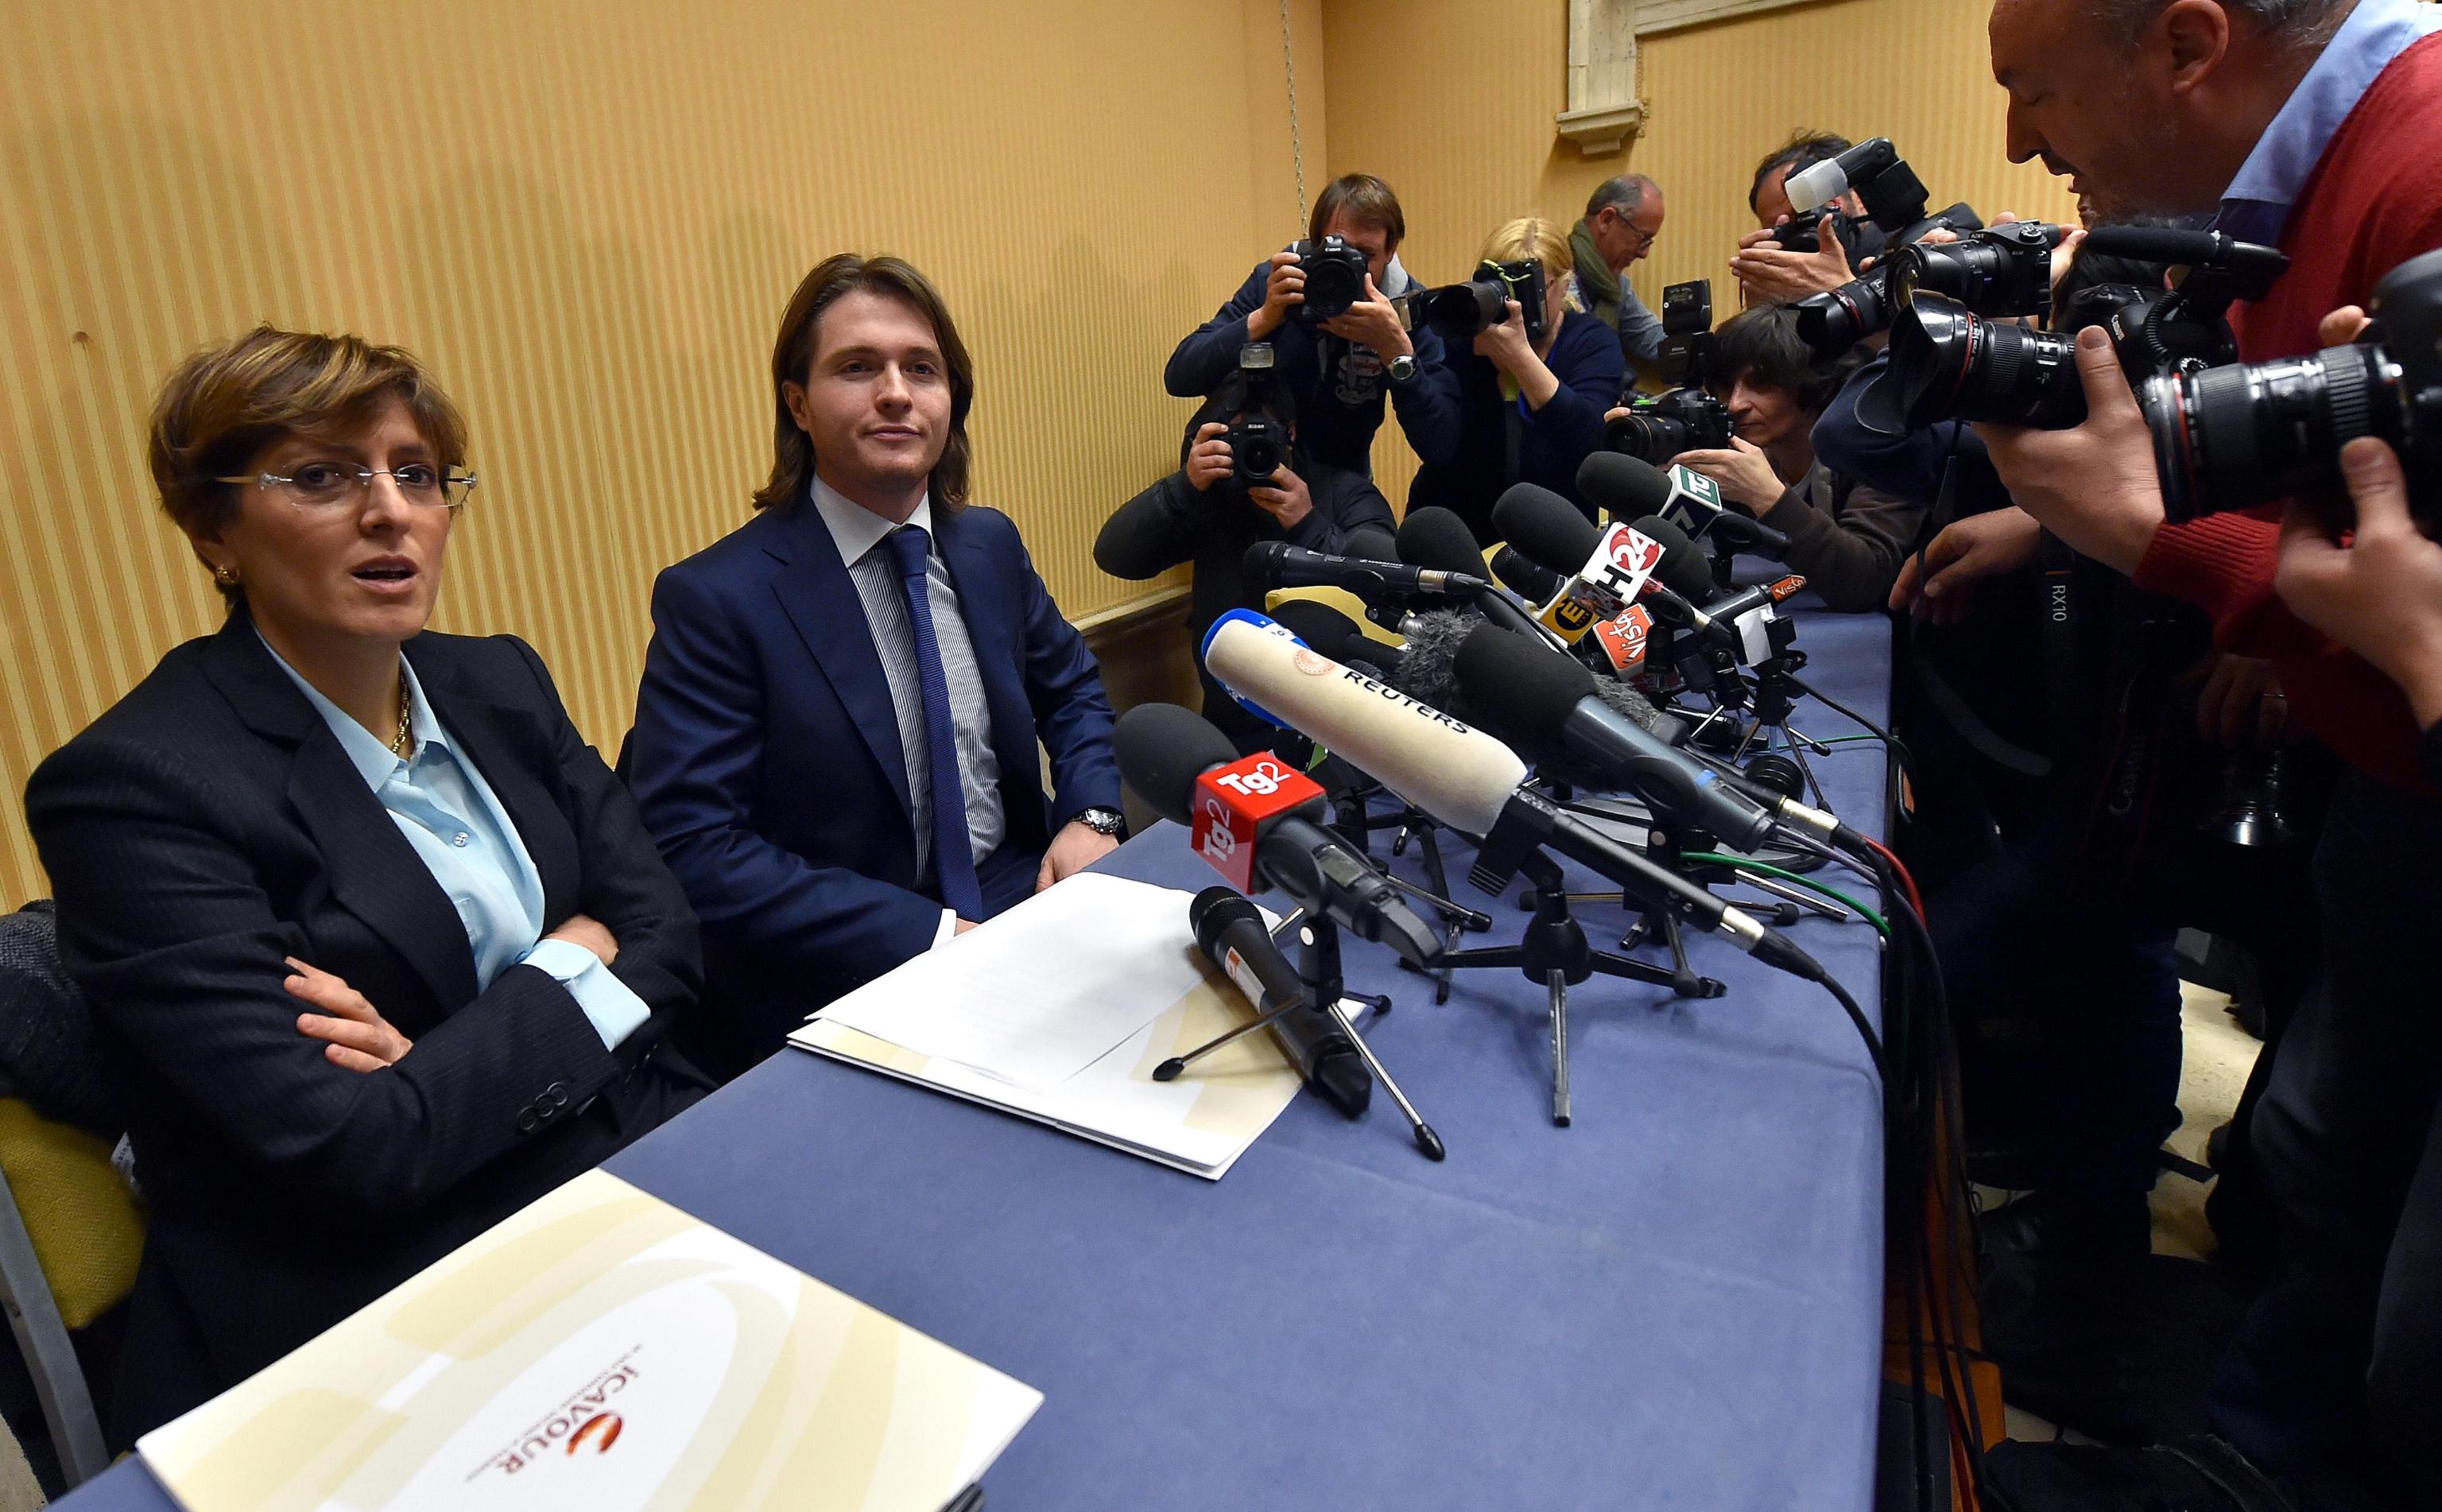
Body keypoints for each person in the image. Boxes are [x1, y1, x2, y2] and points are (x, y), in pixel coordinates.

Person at [23, 327, 709, 1444]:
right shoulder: (132, 788)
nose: (391, 511)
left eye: (417, 474)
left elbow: (669, 931)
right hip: (369, 1300)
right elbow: (355, 1151)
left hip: (628, 1155)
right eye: (321, 477)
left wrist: (437, 1064)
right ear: (213, 532)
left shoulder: (498, 677)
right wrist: (574, 957)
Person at [1970, 0, 2442, 1501]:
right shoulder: (2298, 195)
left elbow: (2400, 596)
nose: (2017, 142)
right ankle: (2252, 1455)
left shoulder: (2425, 164)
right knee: (2321, 1154)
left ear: (2186, 47)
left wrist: (2153, 538)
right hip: (2388, 789)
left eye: (2035, 90)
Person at [629, 254, 1122, 1082]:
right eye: (858, 368)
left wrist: (1093, 815)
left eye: (921, 369)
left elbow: (1071, 687)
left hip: (1026, 904)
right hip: (856, 967)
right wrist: (932, 937)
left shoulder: (988, 545)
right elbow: (694, 845)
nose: (896, 393)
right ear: (798, 403)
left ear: (952, 399)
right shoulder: (718, 598)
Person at [1094, 377, 1395, 752]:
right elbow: (1117, 557)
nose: (1254, 448)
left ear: (1290, 433)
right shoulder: (1212, 497)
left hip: (1334, 726)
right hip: (1231, 720)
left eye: (1264, 434)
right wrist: (1183, 487)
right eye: (1236, 438)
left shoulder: (1342, 492)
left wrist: (1309, 524)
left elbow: (1384, 583)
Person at [1165, 173, 1461, 474]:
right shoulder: (1283, 280)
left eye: (1364, 255)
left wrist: (1397, 353)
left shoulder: (1404, 309)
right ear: (1316, 243)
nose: (1347, 269)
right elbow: (1180, 377)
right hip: (1259, 466)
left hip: (1342, 478)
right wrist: (1265, 317)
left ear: (1391, 249)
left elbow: (1440, 446)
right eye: (1339, 249)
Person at [1653, 303, 1924, 611]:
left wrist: (1766, 496)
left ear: (1815, 384)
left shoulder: (1877, 444)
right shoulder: (1741, 447)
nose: (1735, 404)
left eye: (1761, 384)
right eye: (1726, 386)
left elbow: (1866, 582)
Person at [1405, 216, 1625, 541]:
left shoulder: (1592, 341)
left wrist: (1520, 359)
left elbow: (1586, 443)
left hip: (1556, 536)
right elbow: (1437, 446)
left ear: (1565, 284)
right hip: (1459, 533)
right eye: (1502, 290)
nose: (1515, 304)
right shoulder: (1462, 339)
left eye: (1528, 288)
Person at [1733, 130, 1884, 308]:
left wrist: (1843, 296)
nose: (1800, 234)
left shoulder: (1903, 253)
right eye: (1780, 229)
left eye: (1805, 214)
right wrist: (1763, 310)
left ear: (1858, 198)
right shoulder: (1788, 287)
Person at [1568, 174, 1668, 369]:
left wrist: (1717, 344)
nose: (1644, 253)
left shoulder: (1615, 285)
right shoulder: (1555, 274)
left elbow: (1652, 340)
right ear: (1606, 220)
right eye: (1642, 238)